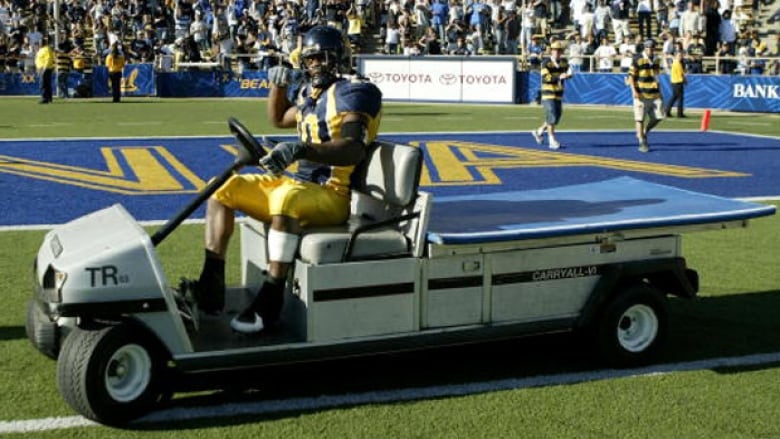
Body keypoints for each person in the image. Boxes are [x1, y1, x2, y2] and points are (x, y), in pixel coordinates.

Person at [188, 25, 383, 334]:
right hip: (298, 184)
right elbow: (279, 119)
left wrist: (299, 149)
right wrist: (277, 87)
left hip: (332, 194)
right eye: (309, 59)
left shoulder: (355, 91)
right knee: (223, 186)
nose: (314, 65)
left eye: (320, 58)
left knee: (285, 199)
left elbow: (352, 150)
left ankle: (271, 297)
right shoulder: (310, 93)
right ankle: (211, 283)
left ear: (338, 58)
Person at [532, 41, 572, 150]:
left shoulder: (564, 63)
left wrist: (568, 74)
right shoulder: (546, 63)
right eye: (555, 50)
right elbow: (546, 78)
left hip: (558, 93)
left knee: (556, 117)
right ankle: (551, 140)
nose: (557, 52)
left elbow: (569, 71)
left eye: (559, 51)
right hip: (548, 93)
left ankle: (539, 131)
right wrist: (560, 77)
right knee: (552, 114)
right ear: (552, 51)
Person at [627, 39, 664, 153]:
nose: (650, 50)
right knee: (640, 118)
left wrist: (659, 90)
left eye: (652, 48)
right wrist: (634, 90)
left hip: (654, 93)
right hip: (641, 93)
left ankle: (644, 132)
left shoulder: (656, 60)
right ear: (644, 48)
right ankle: (642, 141)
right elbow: (631, 76)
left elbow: (656, 76)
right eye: (648, 48)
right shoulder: (637, 59)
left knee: (659, 116)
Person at [664, 49, 686, 117]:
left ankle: (667, 111)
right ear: (676, 56)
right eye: (679, 55)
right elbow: (681, 74)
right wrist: (684, 80)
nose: (681, 56)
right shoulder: (677, 63)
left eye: (681, 55)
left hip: (674, 82)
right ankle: (679, 113)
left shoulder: (676, 63)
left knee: (674, 97)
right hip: (678, 82)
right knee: (679, 98)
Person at [34, 37, 54, 104]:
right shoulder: (41, 50)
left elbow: (48, 59)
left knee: (43, 84)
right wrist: (37, 69)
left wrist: (45, 68)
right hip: (41, 68)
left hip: (45, 68)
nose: (40, 43)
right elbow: (38, 60)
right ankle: (49, 98)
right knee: (46, 84)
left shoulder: (47, 49)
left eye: (41, 42)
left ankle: (44, 98)